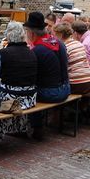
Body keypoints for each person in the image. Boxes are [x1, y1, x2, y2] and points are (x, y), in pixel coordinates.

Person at [0, 21, 37, 144]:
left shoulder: (5, 53)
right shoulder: (31, 52)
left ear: (8, 36)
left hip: (13, 98)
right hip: (30, 98)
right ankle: (19, 127)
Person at [23, 12, 70, 140]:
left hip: (52, 93)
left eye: (27, 32)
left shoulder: (37, 51)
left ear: (31, 33)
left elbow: (31, 78)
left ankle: (35, 127)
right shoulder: (59, 43)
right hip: (66, 89)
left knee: (28, 91)